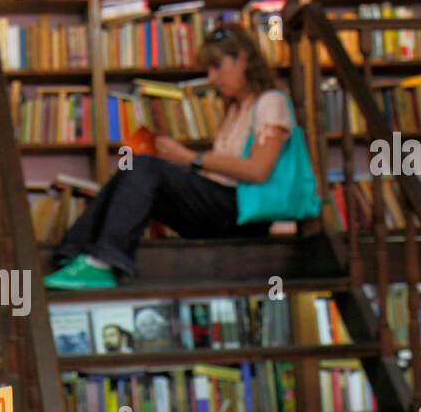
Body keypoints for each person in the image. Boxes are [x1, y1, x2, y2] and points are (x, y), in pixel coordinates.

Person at [44, 23, 294, 290]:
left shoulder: (270, 102)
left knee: (144, 166)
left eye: (217, 67)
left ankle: (104, 262)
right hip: (222, 207)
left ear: (242, 58)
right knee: (133, 171)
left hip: (245, 215)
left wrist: (191, 159)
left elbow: (259, 171)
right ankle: (72, 254)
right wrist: (183, 166)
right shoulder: (235, 109)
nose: (211, 78)